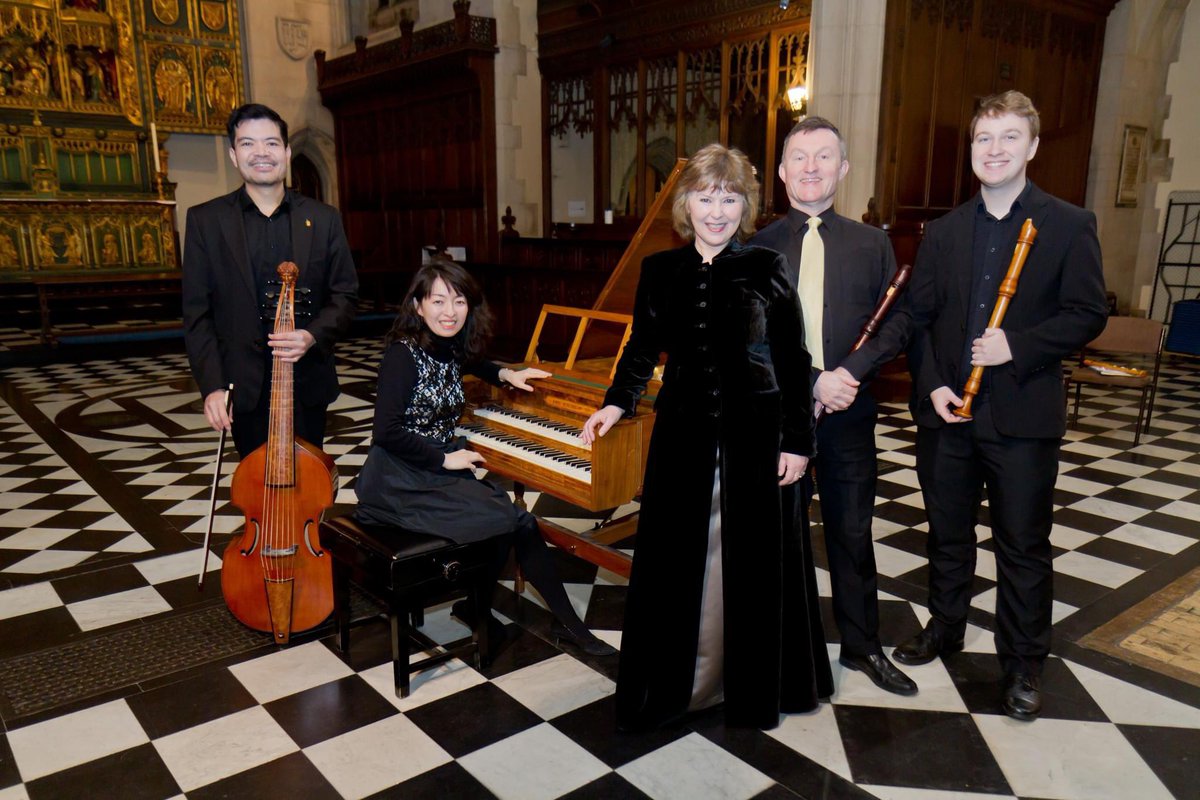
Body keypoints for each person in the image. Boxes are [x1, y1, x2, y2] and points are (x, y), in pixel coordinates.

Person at [582, 143, 832, 731]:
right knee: (677, 559)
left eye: (729, 198)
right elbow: (641, 349)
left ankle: (747, 686)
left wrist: (798, 442)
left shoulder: (767, 267)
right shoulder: (659, 271)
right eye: (705, 196)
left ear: (743, 205)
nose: (716, 210)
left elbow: (795, 361)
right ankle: (681, 684)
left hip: (759, 436)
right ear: (685, 203)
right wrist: (616, 404)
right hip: (682, 435)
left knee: (752, 563)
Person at [896, 90, 1107, 720]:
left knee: (1022, 543)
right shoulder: (946, 229)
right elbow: (922, 317)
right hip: (949, 412)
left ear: (1032, 147)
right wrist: (931, 383)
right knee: (948, 533)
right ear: (972, 150)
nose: (995, 150)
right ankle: (946, 626)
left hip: (1022, 415)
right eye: (984, 139)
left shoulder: (1069, 223)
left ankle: (1022, 662)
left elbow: (1088, 312)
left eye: (1009, 138)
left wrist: (1017, 345)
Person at [354, 259, 617, 657]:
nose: (449, 312)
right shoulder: (402, 356)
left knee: (517, 521)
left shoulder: (449, 344)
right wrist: (445, 462)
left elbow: (471, 361)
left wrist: (506, 375)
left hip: (434, 465)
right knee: (509, 519)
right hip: (399, 477)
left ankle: (557, 622)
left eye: (459, 301)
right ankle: (506, 612)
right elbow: (386, 432)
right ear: (418, 306)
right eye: (438, 301)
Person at [751, 117, 917, 697]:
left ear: (844, 170)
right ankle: (778, 648)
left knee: (852, 531)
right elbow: (751, 339)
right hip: (778, 421)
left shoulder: (871, 242)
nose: (812, 167)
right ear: (781, 172)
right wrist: (815, 379)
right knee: (779, 538)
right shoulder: (756, 247)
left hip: (850, 415)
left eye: (825, 157)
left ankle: (863, 644)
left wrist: (851, 372)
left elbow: (898, 321)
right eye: (800, 157)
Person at [183, 103, 358, 458]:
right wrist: (213, 387)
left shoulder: (324, 219)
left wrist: (312, 335)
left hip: (306, 378)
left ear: (287, 152)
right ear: (234, 155)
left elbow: (345, 295)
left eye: (271, 143)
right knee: (259, 490)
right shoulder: (205, 221)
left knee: (309, 487)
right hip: (244, 387)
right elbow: (197, 315)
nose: (261, 153)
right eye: (248, 144)